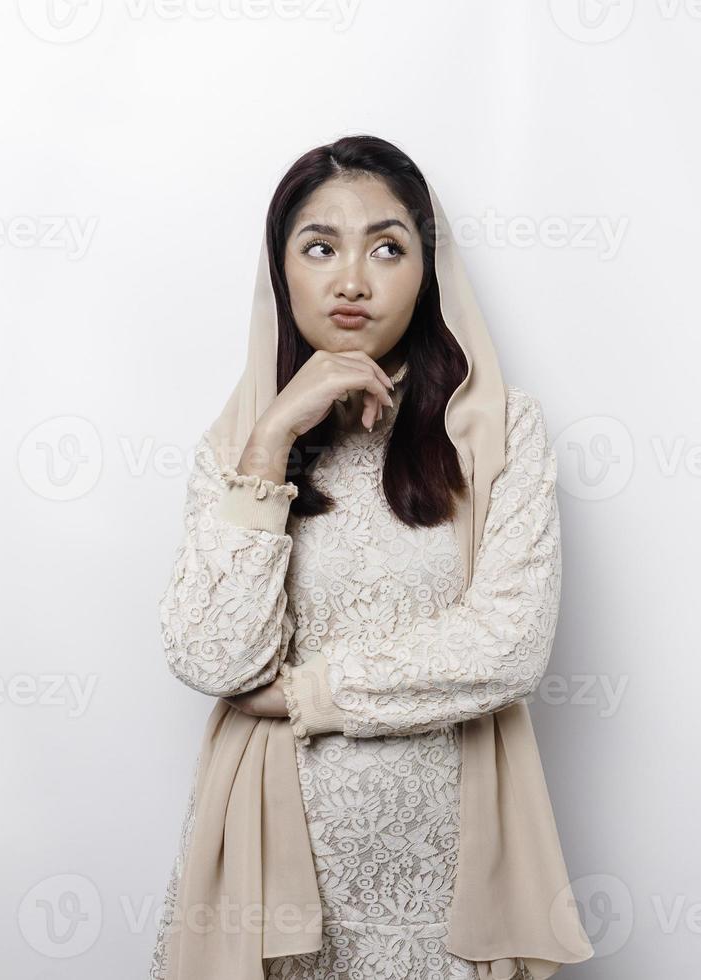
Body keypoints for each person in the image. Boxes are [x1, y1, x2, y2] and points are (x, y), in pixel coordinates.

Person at [149, 134, 591, 980]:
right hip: (272, 860)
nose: (353, 279)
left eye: (387, 247)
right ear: (283, 273)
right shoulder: (237, 447)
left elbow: (510, 645)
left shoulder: (499, 435)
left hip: (451, 855)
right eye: (320, 248)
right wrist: (276, 435)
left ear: (428, 271)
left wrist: (308, 691)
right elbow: (211, 655)